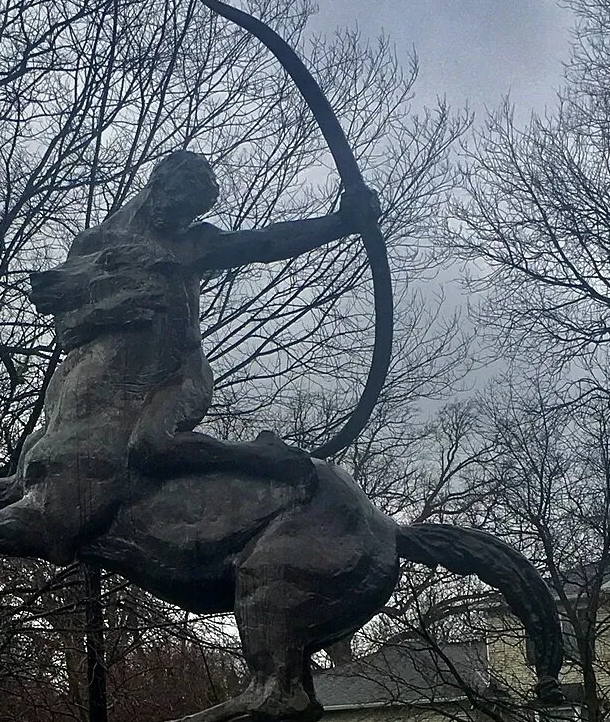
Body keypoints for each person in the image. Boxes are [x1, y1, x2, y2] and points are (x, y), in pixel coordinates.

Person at [27, 148, 379, 514]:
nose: (185, 217)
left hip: (179, 375)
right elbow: (68, 329)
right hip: (114, 380)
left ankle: (259, 458)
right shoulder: (93, 244)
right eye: (182, 202)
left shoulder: (192, 243)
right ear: (159, 183)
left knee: (151, 445)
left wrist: (341, 222)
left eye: (193, 212)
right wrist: (118, 309)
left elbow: (265, 242)